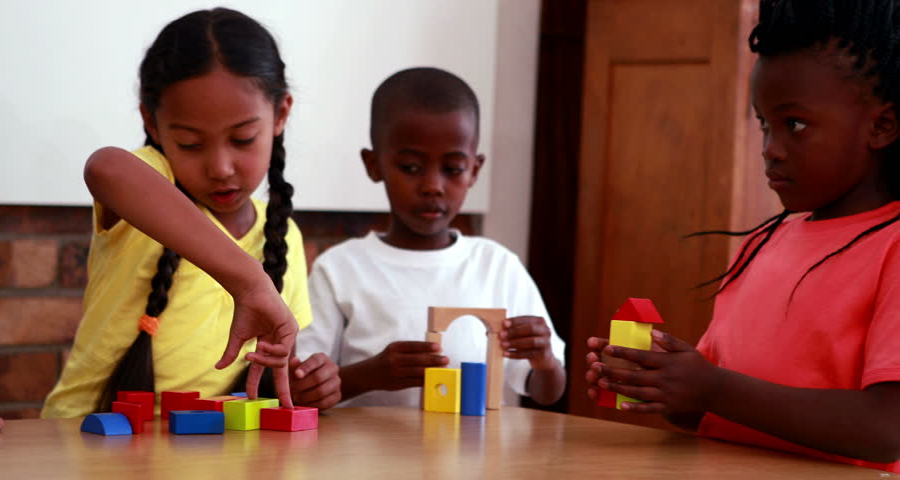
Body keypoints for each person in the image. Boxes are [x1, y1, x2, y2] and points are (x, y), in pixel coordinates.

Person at [585, 0, 900, 472]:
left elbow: (885, 431)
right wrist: (664, 386)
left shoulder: (891, 249)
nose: (770, 150)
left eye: (794, 124)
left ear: (881, 125)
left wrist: (712, 387)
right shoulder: (760, 246)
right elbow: (716, 413)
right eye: (763, 124)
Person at [41, 8, 339, 418]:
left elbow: (276, 367)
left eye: (242, 138)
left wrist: (308, 383)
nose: (220, 167)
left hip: (204, 450)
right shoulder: (150, 182)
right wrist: (249, 280)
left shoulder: (282, 234)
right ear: (153, 123)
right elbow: (105, 167)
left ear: (281, 114)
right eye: (191, 143)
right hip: (80, 438)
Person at [296, 67, 566, 408]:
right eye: (410, 167)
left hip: (473, 459)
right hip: (364, 459)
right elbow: (304, 388)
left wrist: (544, 361)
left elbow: (548, 390)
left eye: (452, 169)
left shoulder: (497, 266)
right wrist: (370, 374)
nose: (433, 186)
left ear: (474, 171)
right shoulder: (338, 269)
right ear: (373, 164)